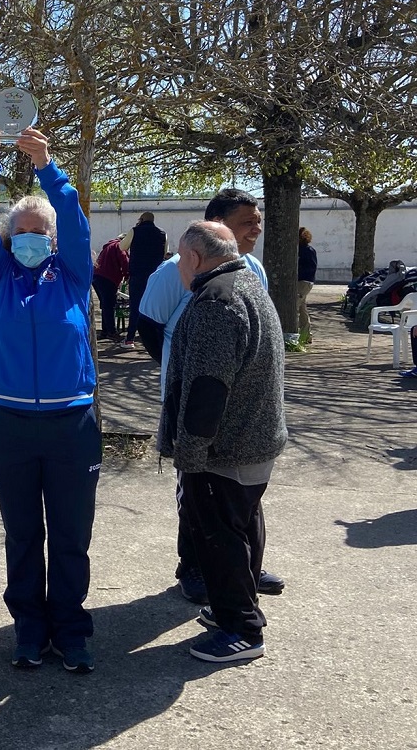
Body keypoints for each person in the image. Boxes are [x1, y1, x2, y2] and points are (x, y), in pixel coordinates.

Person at [0, 125, 101, 674]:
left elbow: (72, 219)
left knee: (70, 535)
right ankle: (28, 628)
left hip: (71, 423)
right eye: (19, 231)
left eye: (37, 232)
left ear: (51, 239)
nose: (27, 238)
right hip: (10, 423)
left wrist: (48, 166)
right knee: (23, 533)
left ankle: (70, 628)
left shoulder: (71, 275)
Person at [137, 188, 285, 602]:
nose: (256, 227)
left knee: (241, 493)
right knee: (197, 491)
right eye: (246, 221)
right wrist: (179, 373)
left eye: (258, 219)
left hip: (241, 407)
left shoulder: (250, 267)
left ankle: (242, 567)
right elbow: (149, 326)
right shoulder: (173, 271)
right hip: (197, 402)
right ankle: (194, 568)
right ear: (219, 224)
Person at [159, 221, 287, 663]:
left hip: (224, 449)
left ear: (194, 257)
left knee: (219, 538)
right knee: (243, 527)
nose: (178, 267)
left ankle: (242, 630)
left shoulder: (217, 300)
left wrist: (190, 455)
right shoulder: (248, 283)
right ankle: (238, 607)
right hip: (254, 441)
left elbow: (207, 388)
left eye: (179, 258)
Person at [118, 212, 168, 349]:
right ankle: (157, 339)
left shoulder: (135, 231)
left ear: (141, 220)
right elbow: (165, 252)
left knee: (136, 306)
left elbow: (122, 247)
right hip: (155, 275)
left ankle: (129, 339)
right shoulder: (162, 233)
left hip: (138, 274)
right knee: (155, 306)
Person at [92, 234, 129, 340]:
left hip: (97, 277)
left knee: (105, 305)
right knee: (109, 306)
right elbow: (125, 262)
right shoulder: (120, 246)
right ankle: (111, 332)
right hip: (108, 278)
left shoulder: (108, 246)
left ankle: (105, 331)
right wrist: (127, 275)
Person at [297, 227, 318, 339]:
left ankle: (294, 333)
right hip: (304, 281)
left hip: (303, 281)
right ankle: (306, 335)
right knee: (302, 307)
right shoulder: (303, 249)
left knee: (294, 306)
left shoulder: (307, 250)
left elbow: (310, 268)